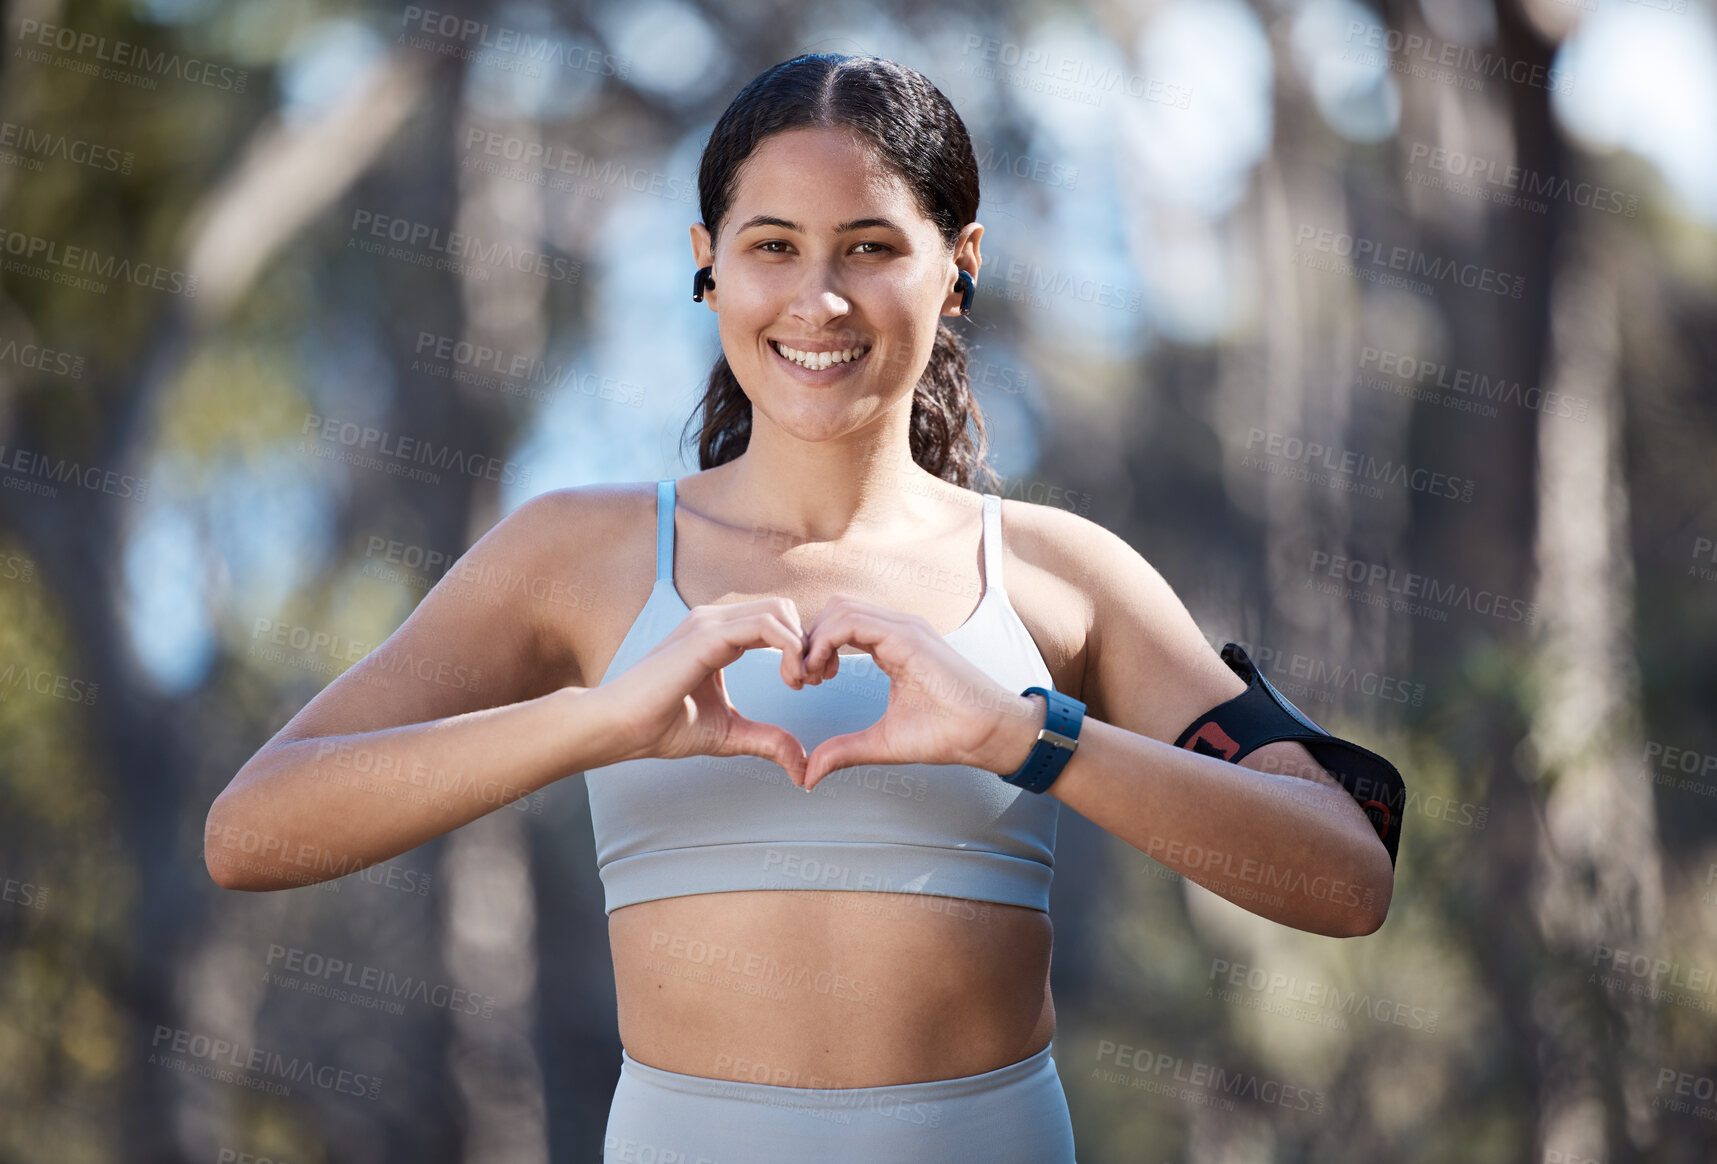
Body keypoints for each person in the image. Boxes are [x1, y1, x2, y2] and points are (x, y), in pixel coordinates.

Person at [207, 52, 1401, 1163]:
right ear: (706, 259)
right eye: (772, 245)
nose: (818, 300)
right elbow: (252, 831)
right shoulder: (576, 553)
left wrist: (1027, 737)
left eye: (871, 246)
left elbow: (1345, 877)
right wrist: (599, 721)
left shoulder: (1057, 574)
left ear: (960, 259)